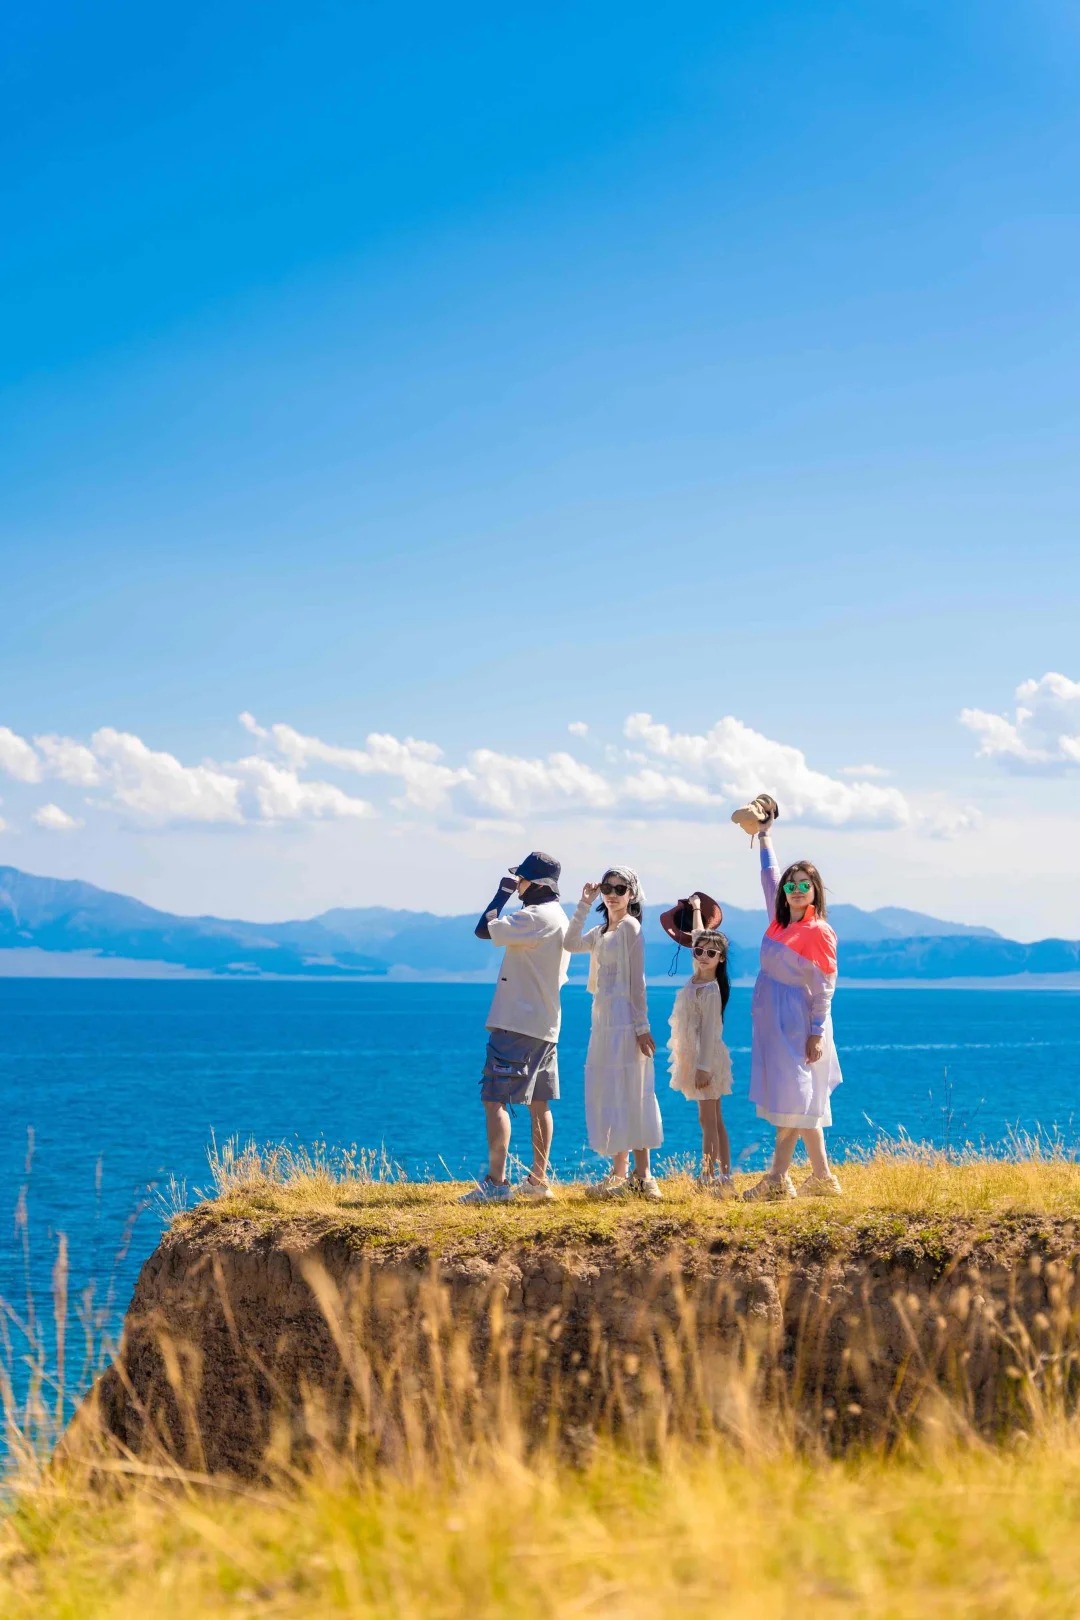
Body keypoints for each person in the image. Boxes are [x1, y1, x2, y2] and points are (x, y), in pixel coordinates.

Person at [741, 804, 843, 1199]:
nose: (797, 889)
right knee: (798, 1098)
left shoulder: (819, 932)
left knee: (797, 1097)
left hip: (800, 1021)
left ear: (816, 890)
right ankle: (822, 1176)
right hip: (773, 1019)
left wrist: (817, 1032)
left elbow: (825, 987)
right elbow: (769, 877)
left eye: (805, 884)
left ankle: (776, 1179)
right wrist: (765, 837)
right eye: (792, 884)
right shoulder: (779, 920)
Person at [461, 851, 569, 1204]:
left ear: (534, 883)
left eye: (521, 879)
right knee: (540, 1102)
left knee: (494, 1099)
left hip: (516, 1023)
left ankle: (496, 1183)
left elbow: (483, 928)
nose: (518, 884)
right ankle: (538, 1181)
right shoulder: (561, 919)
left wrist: (501, 893)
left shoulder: (533, 917)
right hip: (546, 1022)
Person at [564, 866, 662, 1199]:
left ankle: (643, 1176)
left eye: (620, 889)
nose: (613, 894)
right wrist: (583, 902)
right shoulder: (604, 929)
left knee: (633, 1090)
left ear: (632, 895)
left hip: (624, 1020)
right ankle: (619, 1175)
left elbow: (638, 981)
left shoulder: (631, 928)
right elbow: (570, 942)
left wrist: (641, 1027)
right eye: (608, 887)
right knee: (612, 1092)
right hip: (604, 1021)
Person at [662, 892, 735, 1193]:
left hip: (707, 1059)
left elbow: (710, 1032)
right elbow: (697, 935)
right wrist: (694, 909)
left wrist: (703, 1067)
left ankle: (708, 1177)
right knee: (714, 1119)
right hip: (698, 1058)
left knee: (708, 1121)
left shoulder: (710, 990)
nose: (703, 956)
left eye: (710, 953)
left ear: (721, 959)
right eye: (699, 952)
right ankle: (725, 1177)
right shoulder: (697, 979)